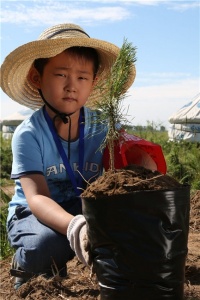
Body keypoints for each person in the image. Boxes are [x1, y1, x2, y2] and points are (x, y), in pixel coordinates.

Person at [0, 23, 136, 289]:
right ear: (36, 79)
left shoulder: (104, 127)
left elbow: (129, 164)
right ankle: (30, 264)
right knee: (44, 245)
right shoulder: (29, 134)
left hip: (84, 206)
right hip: (34, 212)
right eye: (61, 75)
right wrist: (78, 227)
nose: (72, 86)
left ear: (94, 82)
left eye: (82, 77)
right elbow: (37, 197)